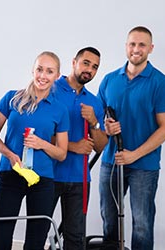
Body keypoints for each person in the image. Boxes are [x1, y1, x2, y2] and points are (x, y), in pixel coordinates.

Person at [97, 26, 165, 250]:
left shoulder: (161, 83)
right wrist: (106, 128)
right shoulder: (109, 80)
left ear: (150, 48)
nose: (136, 49)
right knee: (109, 219)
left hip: (144, 165)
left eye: (142, 44)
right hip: (111, 162)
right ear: (126, 47)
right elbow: (96, 120)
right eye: (132, 44)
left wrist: (134, 155)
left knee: (141, 224)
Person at [0, 51, 69, 250]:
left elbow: (62, 153)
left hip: (42, 180)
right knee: (1, 237)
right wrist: (9, 154)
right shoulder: (11, 98)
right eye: (40, 69)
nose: (43, 76)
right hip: (11, 174)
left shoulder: (60, 110)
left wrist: (42, 144)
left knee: (35, 240)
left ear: (57, 76)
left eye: (49, 72)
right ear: (33, 70)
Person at [51, 47, 108, 250]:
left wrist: (94, 123)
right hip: (48, 174)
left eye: (95, 67)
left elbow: (101, 146)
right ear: (74, 61)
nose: (89, 70)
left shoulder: (93, 102)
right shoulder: (51, 89)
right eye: (86, 63)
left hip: (79, 179)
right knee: (38, 231)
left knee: (75, 238)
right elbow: (38, 132)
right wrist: (73, 146)